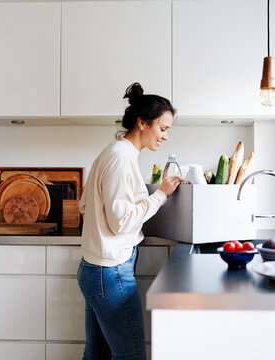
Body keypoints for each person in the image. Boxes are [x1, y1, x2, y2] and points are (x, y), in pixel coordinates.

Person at [77, 83, 183, 359]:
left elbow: (85, 205)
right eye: (163, 128)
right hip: (110, 272)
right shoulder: (122, 159)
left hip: (97, 269)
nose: (165, 136)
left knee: (97, 353)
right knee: (131, 354)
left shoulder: (113, 153)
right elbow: (121, 222)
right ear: (142, 123)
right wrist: (160, 195)